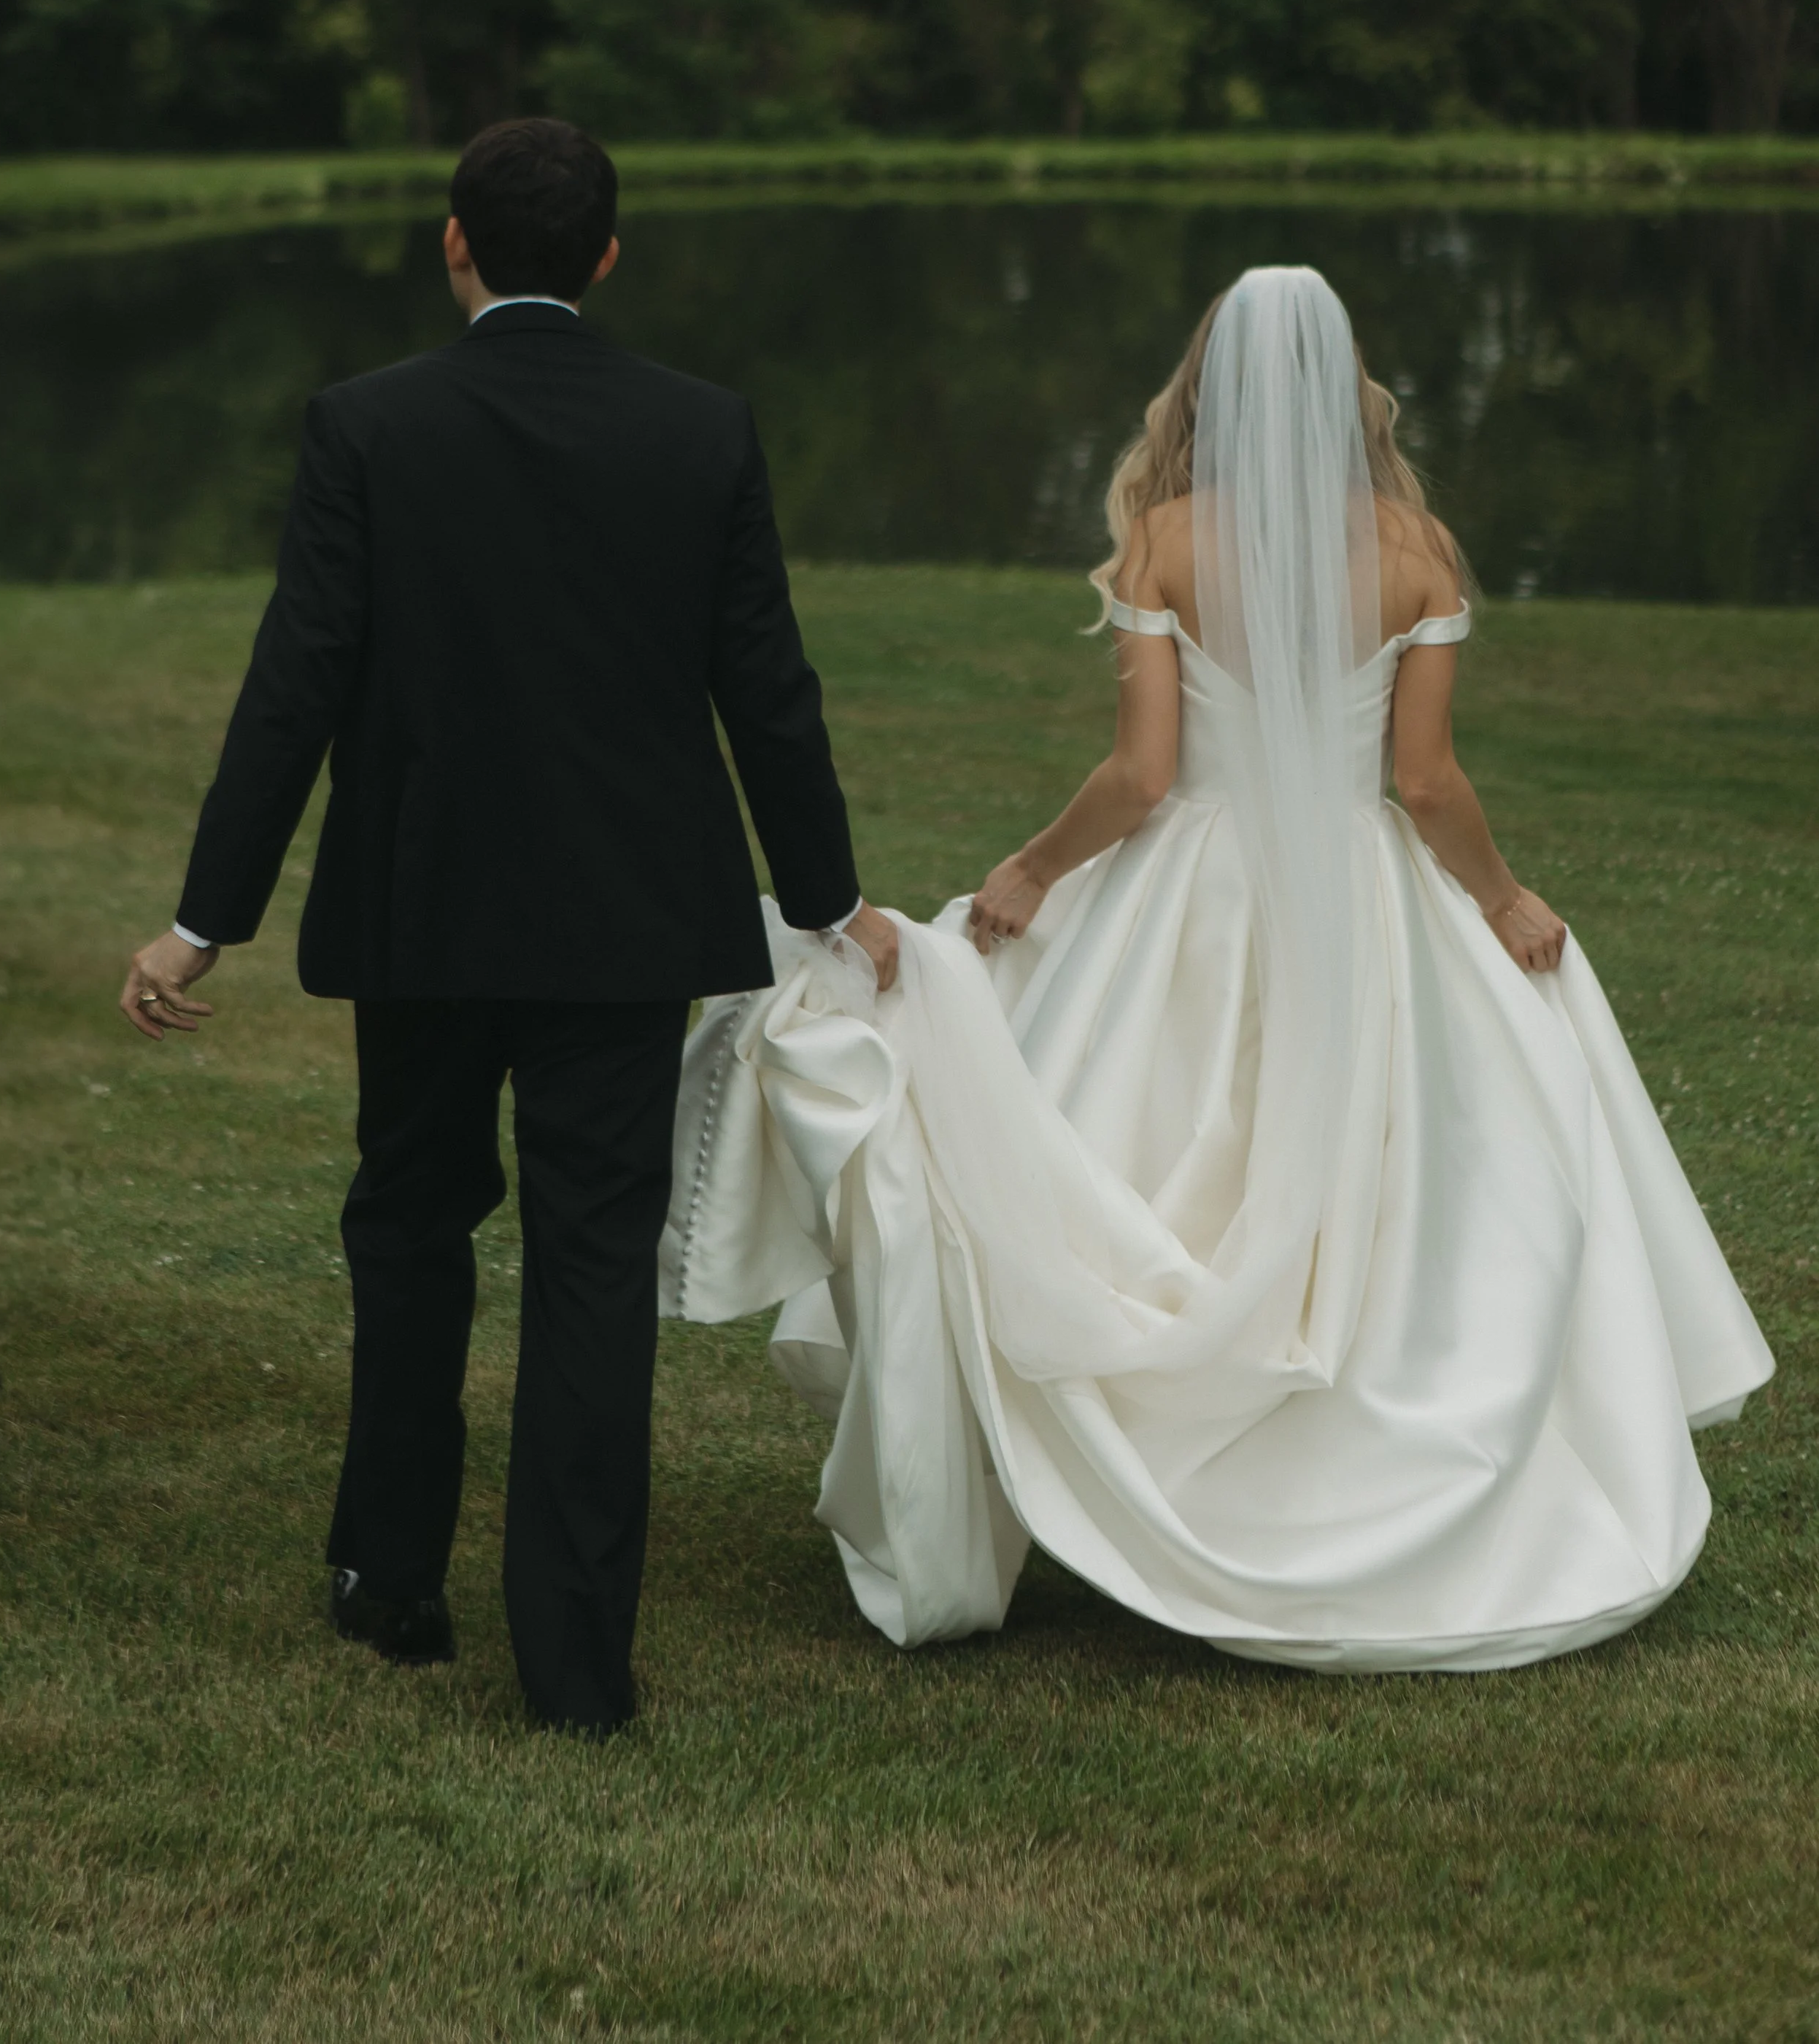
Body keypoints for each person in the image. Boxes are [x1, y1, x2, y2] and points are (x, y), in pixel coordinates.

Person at [664, 266, 1773, 1668]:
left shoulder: (1166, 541)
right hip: (1367, 895)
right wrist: (1503, 901)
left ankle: (1131, 1439)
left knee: (1142, 1139)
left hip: (1189, 889)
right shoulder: (1418, 550)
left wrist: (1031, 870)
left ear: (1211, 381)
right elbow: (1425, 785)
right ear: (1346, 380)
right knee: (1407, 1172)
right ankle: (1373, 1442)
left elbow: (1141, 776)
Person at [120, 116, 897, 1738]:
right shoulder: (700, 432)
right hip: (621, 920)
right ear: (605, 257)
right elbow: (766, 686)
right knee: (592, 1261)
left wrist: (207, 919)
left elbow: (295, 688)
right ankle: (577, 1670)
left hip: (421, 910)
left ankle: (390, 1582)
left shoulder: (367, 426)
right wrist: (828, 897)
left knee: (409, 1222)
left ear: (454, 243)